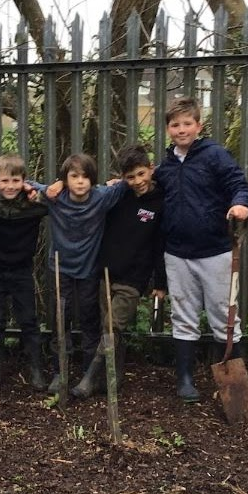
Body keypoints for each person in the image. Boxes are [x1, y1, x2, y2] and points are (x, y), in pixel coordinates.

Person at [153, 97, 248, 403]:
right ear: (168, 128)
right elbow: (148, 191)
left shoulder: (214, 155)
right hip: (177, 253)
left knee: (224, 315)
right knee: (183, 314)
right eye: (175, 125)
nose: (181, 130)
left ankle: (232, 378)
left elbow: (239, 183)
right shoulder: (166, 166)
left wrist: (240, 204)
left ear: (198, 125)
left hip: (215, 251)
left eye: (187, 124)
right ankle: (184, 378)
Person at [71, 145, 167, 398]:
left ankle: (90, 378)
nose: (137, 182)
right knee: (109, 328)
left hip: (134, 278)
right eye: (130, 177)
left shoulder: (160, 201)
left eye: (141, 174)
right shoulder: (118, 195)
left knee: (113, 326)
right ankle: (114, 377)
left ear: (151, 170)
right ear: (123, 177)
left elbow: (160, 245)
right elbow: (90, 198)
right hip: (107, 271)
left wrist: (160, 281)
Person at [38, 153, 128, 395]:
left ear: (93, 180)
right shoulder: (56, 198)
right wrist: (52, 186)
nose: (80, 182)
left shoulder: (102, 197)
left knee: (89, 321)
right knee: (60, 319)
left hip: (89, 270)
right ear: (66, 180)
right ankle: (60, 371)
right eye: (74, 176)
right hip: (60, 270)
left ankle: (89, 373)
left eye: (85, 177)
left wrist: (117, 181)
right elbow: (26, 186)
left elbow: (132, 180)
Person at [0, 153, 49, 390]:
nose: (10, 186)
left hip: (22, 268)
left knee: (29, 319)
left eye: (16, 181)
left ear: (24, 180)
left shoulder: (35, 203)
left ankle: (36, 369)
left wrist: (35, 189)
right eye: (4, 181)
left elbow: (59, 194)